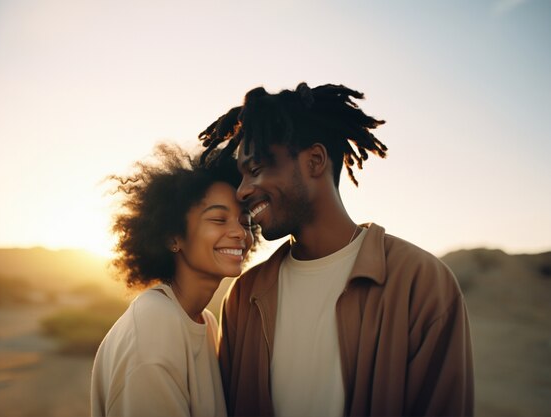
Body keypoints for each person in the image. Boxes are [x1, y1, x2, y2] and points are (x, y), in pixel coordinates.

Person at [198, 83, 474, 417]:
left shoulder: (421, 283)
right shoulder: (244, 296)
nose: (241, 192)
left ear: (314, 160)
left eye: (255, 170)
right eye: (240, 177)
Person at [91, 144, 257, 417]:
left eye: (246, 221)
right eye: (218, 218)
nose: (240, 232)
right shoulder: (155, 325)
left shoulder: (205, 321)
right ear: (173, 238)